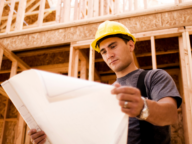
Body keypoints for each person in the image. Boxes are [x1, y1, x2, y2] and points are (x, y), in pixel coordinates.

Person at [28, 21, 182, 144]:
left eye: (113, 46)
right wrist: (49, 138)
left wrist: (142, 106)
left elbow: (170, 114)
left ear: (130, 45)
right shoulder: (106, 92)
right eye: (103, 51)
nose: (109, 55)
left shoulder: (154, 77)